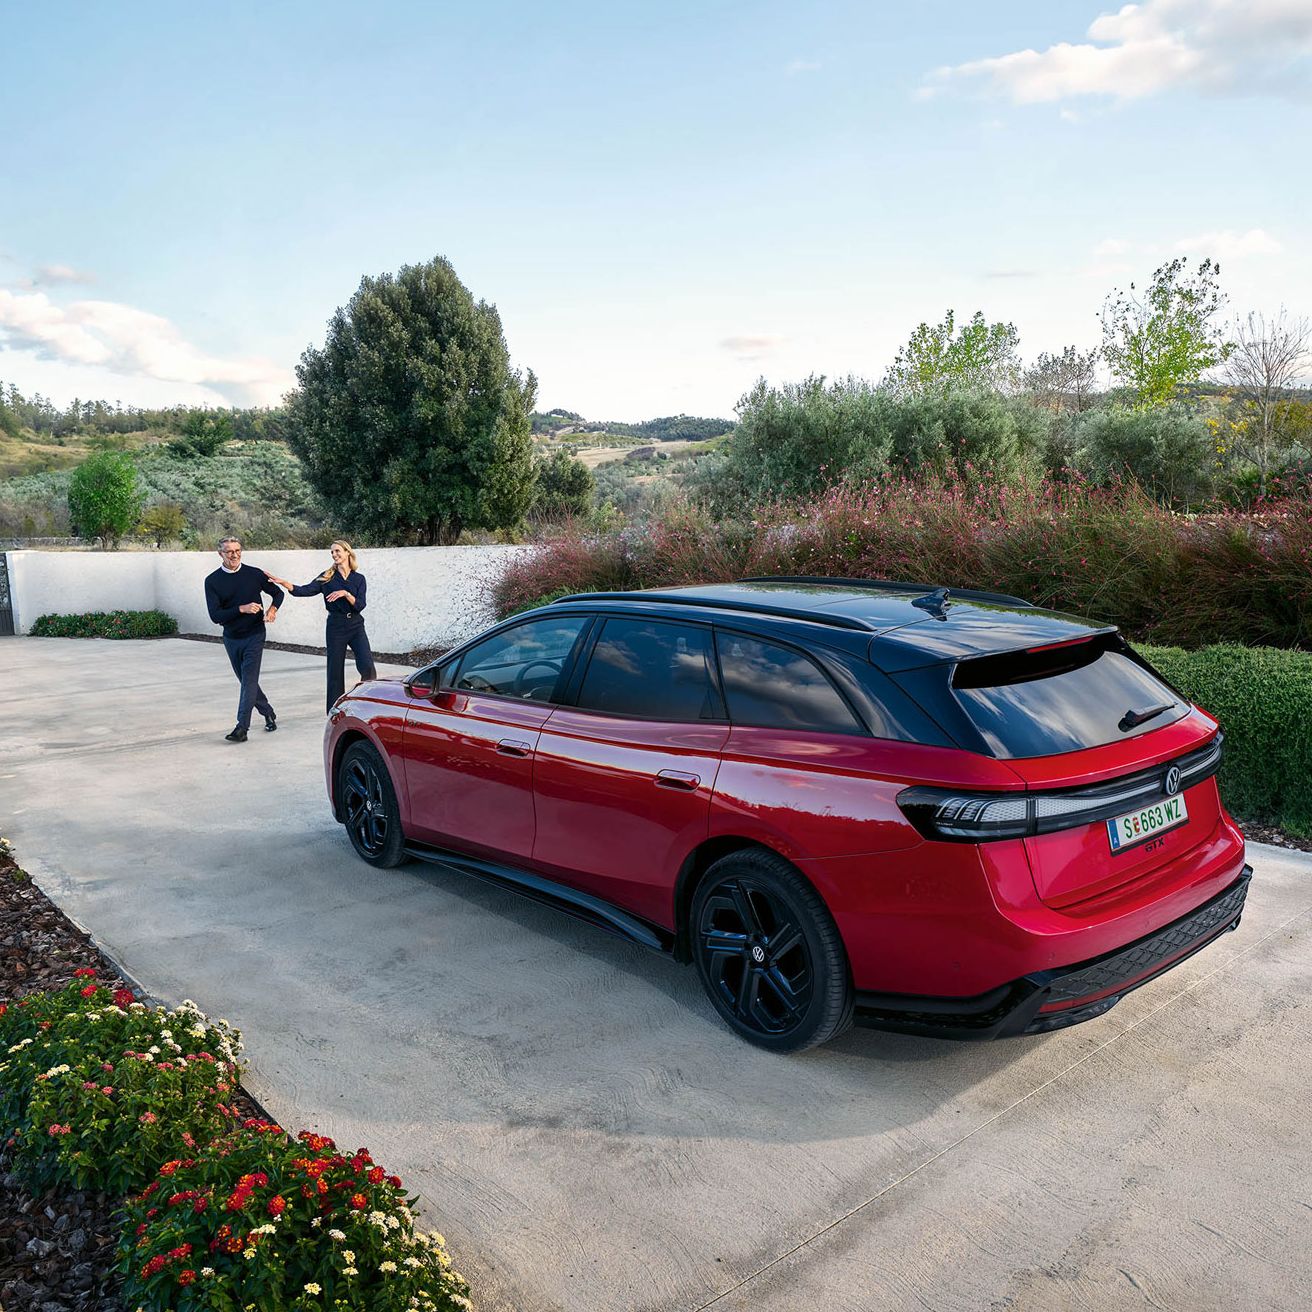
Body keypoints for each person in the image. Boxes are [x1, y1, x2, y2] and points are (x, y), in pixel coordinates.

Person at [266, 540, 377, 713]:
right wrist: (284, 583)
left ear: (347, 552)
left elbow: (360, 605)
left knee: (367, 665)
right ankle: (334, 710)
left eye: (337, 551)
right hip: (336, 626)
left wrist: (346, 594)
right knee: (335, 669)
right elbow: (304, 590)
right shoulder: (327, 577)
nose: (334, 555)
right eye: (332, 552)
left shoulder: (359, 578)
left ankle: (368, 702)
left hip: (356, 625)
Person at [203, 536, 284, 743]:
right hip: (231, 638)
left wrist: (272, 610)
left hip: (255, 634)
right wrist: (242, 608)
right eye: (229, 551)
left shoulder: (254, 574)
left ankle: (242, 728)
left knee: (248, 680)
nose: (235, 555)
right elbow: (216, 616)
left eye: (238, 550)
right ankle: (268, 712)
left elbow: (278, 593)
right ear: (220, 553)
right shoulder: (212, 581)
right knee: (247, 682)